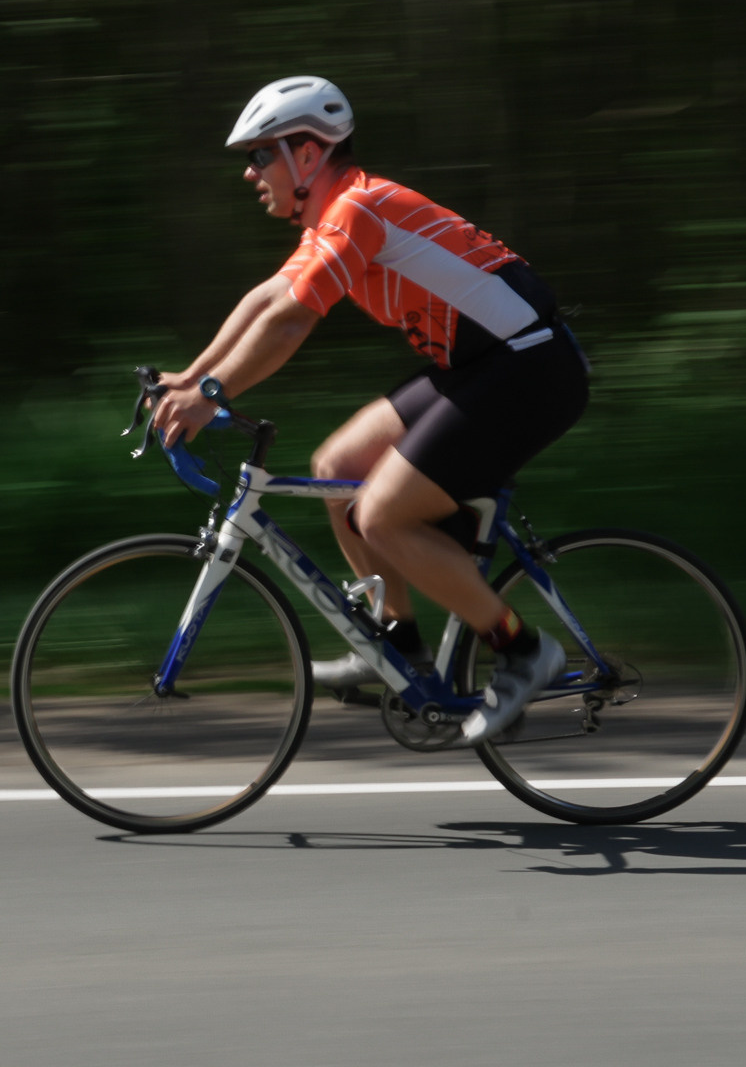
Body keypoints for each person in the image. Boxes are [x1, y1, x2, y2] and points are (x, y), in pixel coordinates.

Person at [150, 77, 590, 742]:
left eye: (260, 154)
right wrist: (191, 376)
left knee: (380, 515)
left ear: (306, 155)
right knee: (339, 464)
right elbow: (266, 301)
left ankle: (524, 650)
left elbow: (292, 325)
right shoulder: (333, 217)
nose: (249, 171)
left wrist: (212, 396)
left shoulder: (358, 210)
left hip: (529, 368)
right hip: (481, 367)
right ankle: (398, 644)